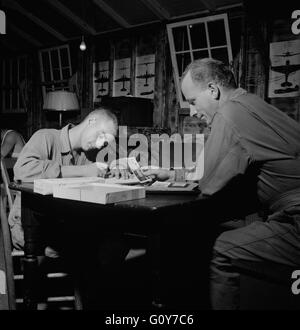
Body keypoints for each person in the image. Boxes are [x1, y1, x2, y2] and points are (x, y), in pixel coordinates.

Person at [144, 58, 300, 309]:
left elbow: (206, 183)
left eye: (193, 101)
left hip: (295, 220)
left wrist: (176, 177)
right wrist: (171, 175)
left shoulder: (229, 113)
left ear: (213, 90)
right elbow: (212, 173)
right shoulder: (251, 103)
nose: (193, 111)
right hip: (287, 211)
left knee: (223, 248)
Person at [13, 107, 130, 308]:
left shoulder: (88, 154)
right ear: (91, 121)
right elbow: (22, 170)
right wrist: (83, 171)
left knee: (116, 243)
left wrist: (116, 168)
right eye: (102, 135)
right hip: (31, 226)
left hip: (63, 225)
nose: (101, 142)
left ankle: (93, 300)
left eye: (106, 141)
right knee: (97, 250)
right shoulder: (47, 137)